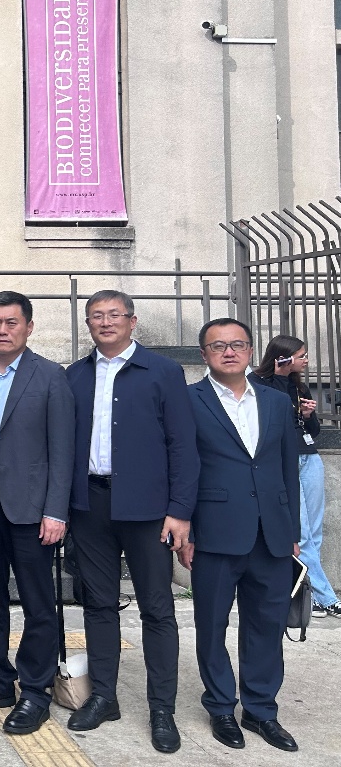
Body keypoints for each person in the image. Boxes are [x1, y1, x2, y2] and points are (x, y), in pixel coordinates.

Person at [65, 290, 199, 754]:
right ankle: (104, 696)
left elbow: (182, 445)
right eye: (96, 316)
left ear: (132, 321)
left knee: (157, 609)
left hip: (148, 509)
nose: (105, 322)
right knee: (98, 605)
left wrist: (180, 511)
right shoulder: (74, 375)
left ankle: (162, 708)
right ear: (88, 323)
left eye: (114, 315)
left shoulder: (162, 372)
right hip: (90, 505)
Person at [181, 318, 301, 753]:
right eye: (218, 346)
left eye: (237, 344)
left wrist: (293, 530)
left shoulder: (275, 400)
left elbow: (288, 467)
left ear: (251, 351)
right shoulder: (188, 400)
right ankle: (220, 707)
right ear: (204, 354)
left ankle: (261, 710)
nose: (229, 352)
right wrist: (185, 528)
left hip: (271, 533)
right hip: (213, 531)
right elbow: (183, 467)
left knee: (266, 625)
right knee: (211, 624)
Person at [0, 291, 75, 735]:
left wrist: (56, 511)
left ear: (29, 327)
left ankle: (36, 690)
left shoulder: (50, 376)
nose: (2, 330)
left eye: (11, 323)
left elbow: (62, 451)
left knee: (37, 601)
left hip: (31, 508)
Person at [252, 336, 341, 617]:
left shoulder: (298, 386)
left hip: (309, 457)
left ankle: (310, 594)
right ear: (283, 357)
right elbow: (270, 419)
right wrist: (279, 377)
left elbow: (311, 431)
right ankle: (325, 597)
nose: (306, 360)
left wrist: (308, 415)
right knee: (299, 532)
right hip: (283, 461)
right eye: (301, 356)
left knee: (314, 532)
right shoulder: (258, 384)